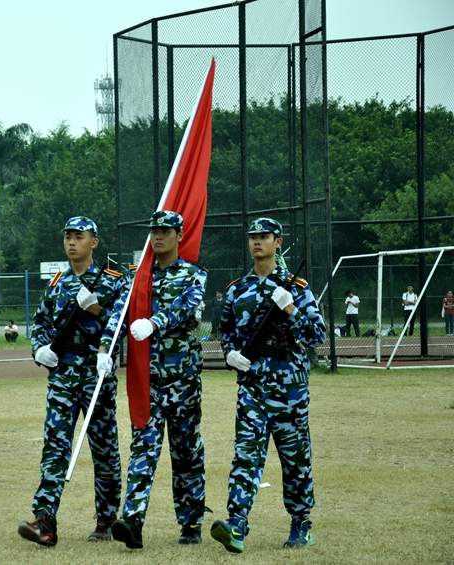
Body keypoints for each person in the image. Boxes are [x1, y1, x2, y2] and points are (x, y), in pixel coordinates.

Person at [212, 217, 327, 553]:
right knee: (245, 456)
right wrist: (230, 354)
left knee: (295, 458)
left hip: (290, 389)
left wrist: (290, 308)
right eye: (253, 237)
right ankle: (236, 524)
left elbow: (317, 335)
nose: (257, 241)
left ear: (278, 242)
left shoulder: (297, 288)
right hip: (252, 388)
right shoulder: (237, 289)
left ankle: (301, 524)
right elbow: (226, 331)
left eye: (264, 236)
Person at [96, 211, 208, 549]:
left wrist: (154, 322)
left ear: (179, 235)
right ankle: (133, 521)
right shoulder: (138, 277)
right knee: (143, 448)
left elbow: (185, 308)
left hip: (183, 380)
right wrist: (105, 348)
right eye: (154, 231)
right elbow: (119, 315)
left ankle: (191, 522)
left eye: (165, 231)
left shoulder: (194, 274)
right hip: (148, 380)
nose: (158, 236)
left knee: (186, 451)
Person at [18, 216, 127, 547]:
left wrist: (96, 312)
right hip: (63, 372)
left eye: (79, 236)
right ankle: (45, 520)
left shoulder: (113, 282)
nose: (71, 242)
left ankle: (106, 518)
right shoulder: (57, 282)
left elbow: (121, 321)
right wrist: (40, 348)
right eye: (68, 236)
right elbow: (41, 321)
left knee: (104, 449)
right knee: (55, 445)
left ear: (94, 242)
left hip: (97, 372)